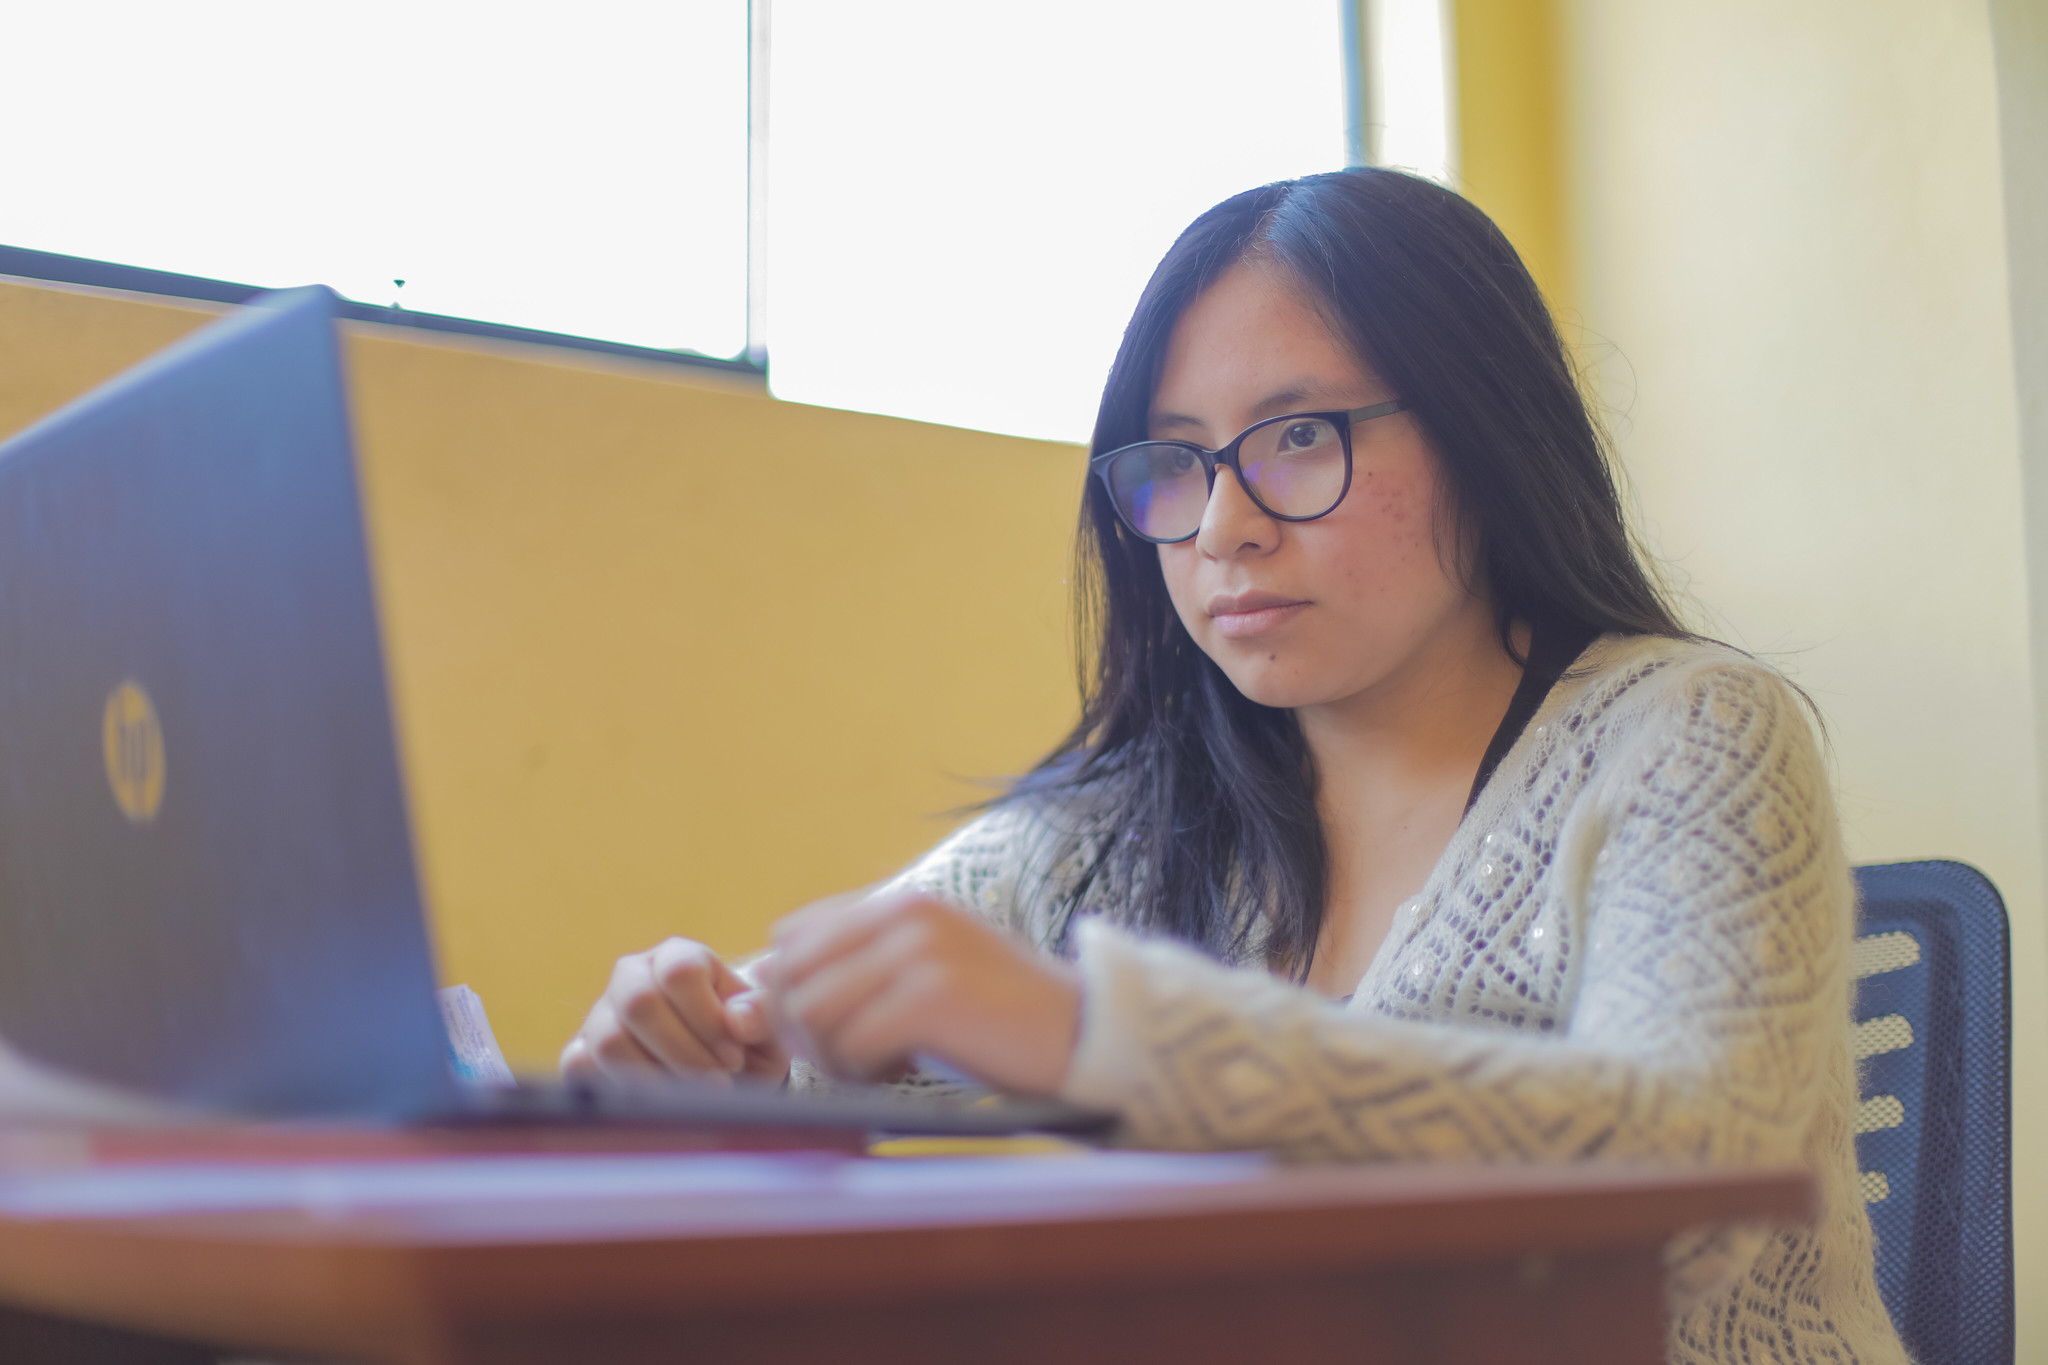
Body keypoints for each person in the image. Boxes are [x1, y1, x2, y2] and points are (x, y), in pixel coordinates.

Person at [561, 168, 1905, 1365]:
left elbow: (1702, 1174)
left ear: (1486, 436)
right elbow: (830, 1036)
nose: (1225, 527)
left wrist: (1100, 1037)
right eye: (1178, 463)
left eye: (1300, 436)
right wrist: (719, 1069)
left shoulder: (1693, 734)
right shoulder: (1114, 825)